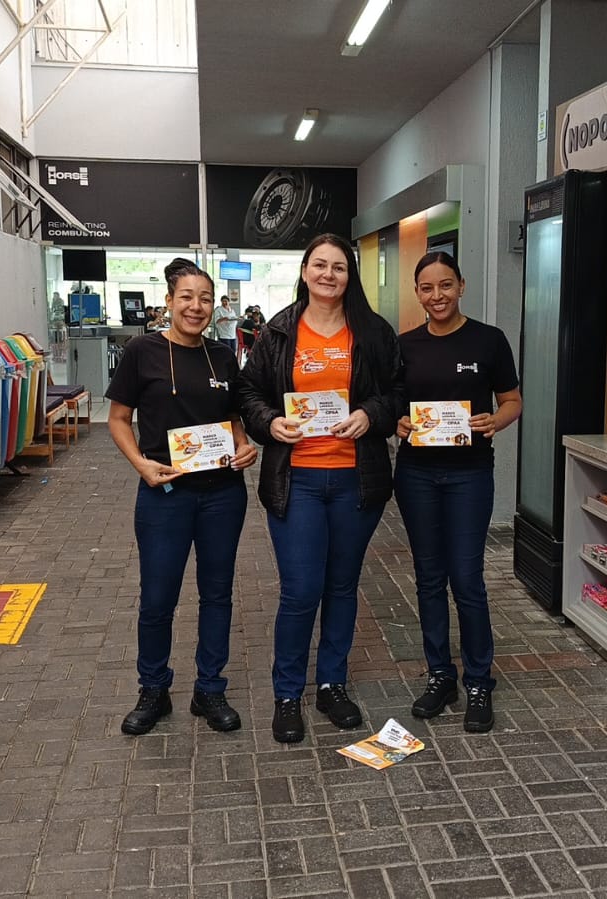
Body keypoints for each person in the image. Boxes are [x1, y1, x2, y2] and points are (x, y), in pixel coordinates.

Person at [239, 234, 403, 744]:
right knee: (301, 590)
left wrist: (370, 414)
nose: (329, 275)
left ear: (350, 275)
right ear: (305, 271)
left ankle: (332, 683)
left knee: (341, 586)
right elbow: (249, 391)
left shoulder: (373, 331)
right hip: (297, 480)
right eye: (320, 265)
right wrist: (270, 423)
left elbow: (397, 392)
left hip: (356, 478)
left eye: (339, 267)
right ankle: (287, 693)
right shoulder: (278, 331)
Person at [105, 258, 259, 737]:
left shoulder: (223, 356)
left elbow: (233, 417)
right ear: (169, 301)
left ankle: (209, 688)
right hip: (165, 495)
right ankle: (153, 689)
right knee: (157, 598)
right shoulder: (142, 351)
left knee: (217, 594)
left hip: (222, 495)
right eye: (187, 297)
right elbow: (117, 419)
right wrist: (140, 464)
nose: (196, 306)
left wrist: (243, 445)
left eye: (205, 298)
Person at [394, 251, 522, 733]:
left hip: (469, 474)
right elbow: (392, 406)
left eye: (445, 285)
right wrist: (397, 422)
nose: (437, 296)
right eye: (427, 288)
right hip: (416, 475)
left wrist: (496, 420)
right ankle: (440, 676)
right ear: (417, 293)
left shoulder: (489, 340)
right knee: (429, 578)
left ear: (461, 286)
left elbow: (512, 400)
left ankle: (479, 680)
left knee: (467, 579)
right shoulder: (404, 346)